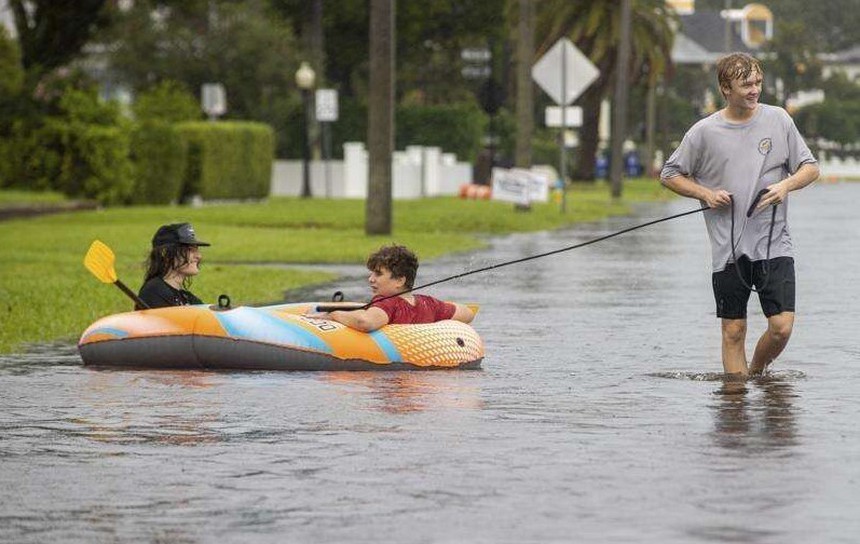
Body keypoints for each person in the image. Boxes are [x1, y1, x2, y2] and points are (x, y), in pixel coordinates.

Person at [660, 52, 819, 377]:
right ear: (725, 88)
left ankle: (757, 371)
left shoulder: (779, 120)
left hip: (775, 244)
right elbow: (669, 173)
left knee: (782, 327)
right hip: (727, 251)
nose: (754, 90)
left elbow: (811, 168)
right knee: (733, 332)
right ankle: (734, 408)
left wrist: (786, 186)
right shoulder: (703, 132)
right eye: (746, 84)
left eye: (758, 82)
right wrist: (705, 193)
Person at [310, 244, 475, 332]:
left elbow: (365, 322)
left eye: (378, 274)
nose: (371, 279)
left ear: (399, 281)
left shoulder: (387, 303)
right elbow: (467, 313)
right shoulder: (429, 304)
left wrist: (333, 315)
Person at [137, 222, 210, 310]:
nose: (198, 256)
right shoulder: (154, 292)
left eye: (196, 250)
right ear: (165, 253)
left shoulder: (186, 297)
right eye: (190, 250)